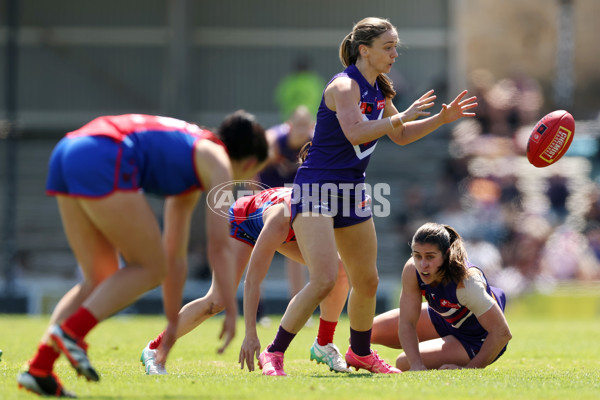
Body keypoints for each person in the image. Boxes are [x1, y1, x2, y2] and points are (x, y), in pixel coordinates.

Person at [254, 16, 479, 376]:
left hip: (352, 189)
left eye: (395, 47)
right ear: (365, 50)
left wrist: (441, 119)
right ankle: (274, 352)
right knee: (325, 278)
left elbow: (401, 136)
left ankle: (359, 352)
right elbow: (356, 132)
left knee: (367, 280)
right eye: (388, 47)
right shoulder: (344, 86)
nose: (394, 54)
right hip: (317, 187)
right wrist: (399, 117)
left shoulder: (381, 89)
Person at [17, 111, 268, 397]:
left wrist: (173, 322)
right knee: (148, 266)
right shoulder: (218, 160)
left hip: (69, 149)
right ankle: (72, 332)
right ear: (249, 163)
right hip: (102, 152)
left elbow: (175, 258)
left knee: (100, 278)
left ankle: (40, 368)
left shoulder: (191, 166)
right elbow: (218, 246)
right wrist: (232, 312)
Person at [141, 186, 350, 375]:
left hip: (283, 220)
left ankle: (324, 343)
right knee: (216, 301)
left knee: (339, 270)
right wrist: (251, 333)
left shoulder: (323, 210)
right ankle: (155, 349)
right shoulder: (278, 222)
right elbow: (252, 280)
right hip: (244, 220)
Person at [371, 222, 512, 370]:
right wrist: (416, 364)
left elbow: (501, 333)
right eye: (417, 255)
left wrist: (468, 369)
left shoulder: (467, 282)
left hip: (475, 338)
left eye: (430, 257)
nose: (423, 264)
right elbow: (407, 322)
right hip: (446, 317)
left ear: (447, 253)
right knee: (369, 331)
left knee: (403, 362)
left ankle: (452, 352)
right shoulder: (413, 268)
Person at [259, 104, 315, 299]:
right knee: (258, 250)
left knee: (297, 253)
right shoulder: (274, 141)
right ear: (289, 125)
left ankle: (296, 304)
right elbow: (252, 168)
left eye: (305, 125)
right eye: (297, 125)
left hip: (293, 199)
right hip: (266, 197)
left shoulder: (314, 144)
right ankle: (257, 309)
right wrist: (254, 198)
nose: (301, 130)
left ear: (312, 126)